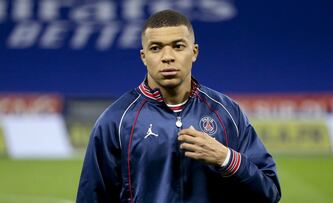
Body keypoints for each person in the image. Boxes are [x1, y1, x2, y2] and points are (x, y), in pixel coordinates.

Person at [77, 9, 281, 203]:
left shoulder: (227, 113)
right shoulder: (116, 120)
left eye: (178, 46)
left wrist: (226, 158)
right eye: (156, 48)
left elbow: (269, 192)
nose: (167, 57)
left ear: (194, 52)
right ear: (144, 57)